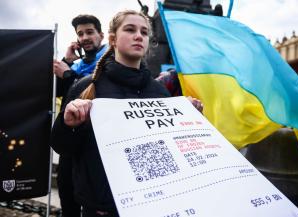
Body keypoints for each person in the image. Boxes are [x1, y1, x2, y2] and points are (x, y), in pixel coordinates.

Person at [51, 10, 202, 217]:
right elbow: (61, 147)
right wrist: (68, 124)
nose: (139, 36)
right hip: (101, 209)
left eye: (144, 32)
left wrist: (190, 120)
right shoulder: (87, 87)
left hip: (153, 205)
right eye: (130, 29)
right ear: (112, 39)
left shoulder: (160, 93)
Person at [53, 14, 108, 217]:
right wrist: (67, 60)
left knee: (90, 202)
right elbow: (57, 91)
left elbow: (97, 87)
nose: (85, 37)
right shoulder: (76, 64)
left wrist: (68, 74)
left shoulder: (110, 60)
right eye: (80, 34)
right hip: (70, 141)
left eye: (90, 32)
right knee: (67, 196)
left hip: (94, 145)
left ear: (101, 35)